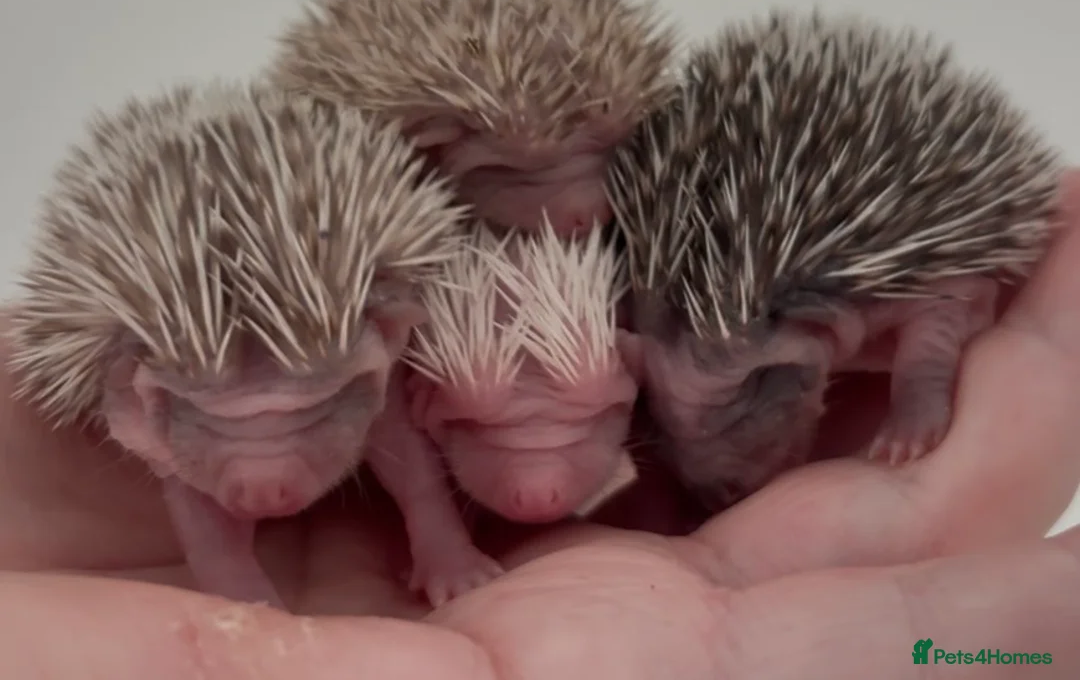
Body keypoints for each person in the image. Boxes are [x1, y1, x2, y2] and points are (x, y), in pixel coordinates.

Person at [4, 173, 1080, 678]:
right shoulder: (391, 388)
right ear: (417, 394)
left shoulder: (629, 360)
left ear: (634, 378)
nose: (537, 492)